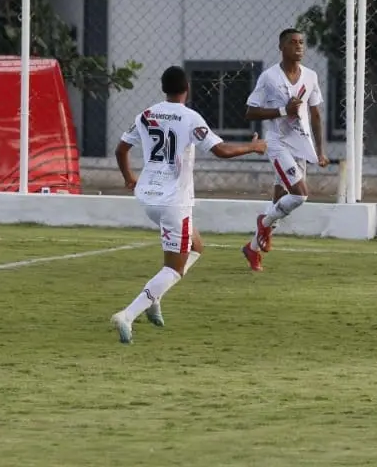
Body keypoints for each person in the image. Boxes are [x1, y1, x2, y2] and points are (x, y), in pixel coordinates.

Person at [112, 65, 267, 344]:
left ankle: (154, 298)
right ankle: (128, 314)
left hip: (148, 198)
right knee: (174, 269)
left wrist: (129, 178)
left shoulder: (146, 114)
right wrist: (254, 147)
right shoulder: (189, 117)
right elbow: (221, 150)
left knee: (196, 246)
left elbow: (121, 149)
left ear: (163, 88)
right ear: (187, 89)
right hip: (174, 202)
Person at [240, 28, 329, 271]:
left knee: (280, 199)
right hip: (278, 143)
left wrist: (319, 151)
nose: (299, 46)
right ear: (282, 47)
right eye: (293, 42)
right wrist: (282, 111)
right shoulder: (269, 77)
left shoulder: (310, 76)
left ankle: (252, 249)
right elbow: (250, 112)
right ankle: (264, 222)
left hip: (300, 144)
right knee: (300, 195)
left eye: (301, 42)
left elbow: (315, 114)